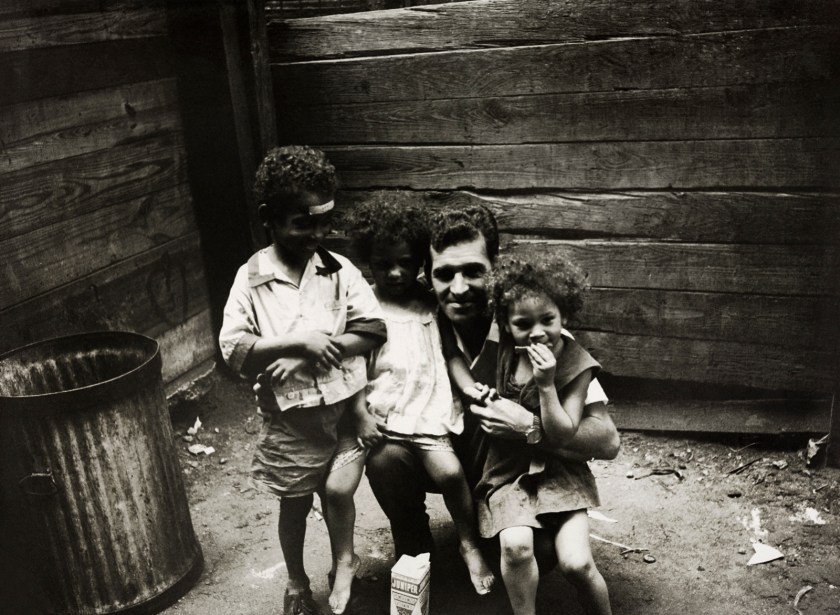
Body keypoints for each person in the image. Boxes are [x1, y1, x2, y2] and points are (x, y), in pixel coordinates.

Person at [364, 204, 620, 572]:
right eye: (444, 274)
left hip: (507, 473)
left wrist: (531, 428)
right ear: (426, 275)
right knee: (387, 458)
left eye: (473, 272)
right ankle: (415, 552)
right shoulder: (416, 321)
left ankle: (491, 534)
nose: (459, 288)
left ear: (496, 269)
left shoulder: (532, 330)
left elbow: (607, 441)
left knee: (542, 552)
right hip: (445, 461)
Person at [218, 146, 387, 615]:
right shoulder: (250, 279)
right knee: (292, 506)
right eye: (303, 223)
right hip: (291, 422)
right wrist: (298, 344)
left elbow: (373, 329)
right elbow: (234, 350)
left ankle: (344, 562)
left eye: (324, 222)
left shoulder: (337, 270)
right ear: (269, 218)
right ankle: (296, 580)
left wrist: (314, 353)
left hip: (344, 413)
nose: (317, 234)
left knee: (337, 495)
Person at [343, 197, 495, 595]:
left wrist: (468, 388)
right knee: (386, 461)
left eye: (406, 263)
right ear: (367, 261)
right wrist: (359, 413)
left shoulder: (431, 304)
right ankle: (413, 543)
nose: (395, 273)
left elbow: (449, 354)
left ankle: (469, 542)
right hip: (390, 412)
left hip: (429, 410)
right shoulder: (365, 308)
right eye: (382, 264)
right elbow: (354, 368)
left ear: (419, 264)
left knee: (450, 473)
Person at [473, 255, 612, 615]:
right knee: (516, 547)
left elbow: (563, 433)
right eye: (523, 323)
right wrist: (484, 395)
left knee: (577, 564)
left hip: (562, 473)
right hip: (507, 471)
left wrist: (547, 385)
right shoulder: (502, 348)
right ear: (505, 324)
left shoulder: (577, 364)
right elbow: (477, 379)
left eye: (548, 319)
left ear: (564, 314)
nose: (537, 332)